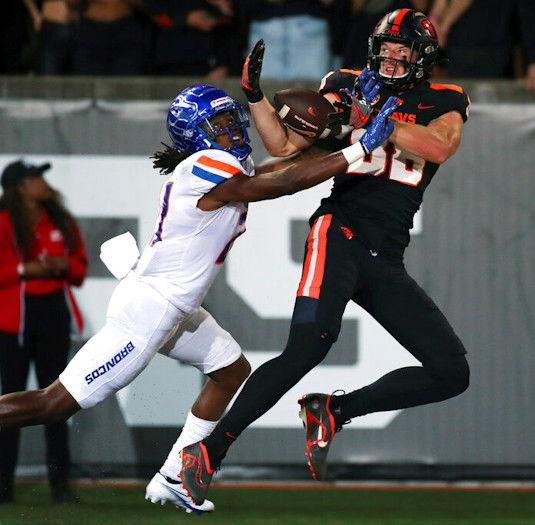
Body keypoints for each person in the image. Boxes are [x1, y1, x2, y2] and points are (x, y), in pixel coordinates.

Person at [0, 83, 398, 513]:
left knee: (230, 369)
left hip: (174, 307)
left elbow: (279, 171)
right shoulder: (205, 164)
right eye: (217, 122)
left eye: (230, 118)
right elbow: (281, 185)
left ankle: (174, 476)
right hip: (152, 309)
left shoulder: (225, 162)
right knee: (54, 403)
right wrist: (358, 150)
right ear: (195, 133)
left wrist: (351, 133)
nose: (229, 127)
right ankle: (175, 475)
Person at [180, 8, 471, 505]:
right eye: (386, 46)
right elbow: (286, 143)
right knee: (308, 346)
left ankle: (334, 411)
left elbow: (440, 145)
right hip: (339, 231)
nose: (392, 56)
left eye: (404, 49)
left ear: (422, 57)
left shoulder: (445, 99)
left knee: (450, 371)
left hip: (386, 253)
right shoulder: (347, 83)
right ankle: (209, 451)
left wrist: (380, 121)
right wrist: (255, 97)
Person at [0, 160, 87, 503]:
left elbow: (79, 268)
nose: (44, 184)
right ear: (20, 186)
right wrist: (26, 268)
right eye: (36, 178)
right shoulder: (4, 222)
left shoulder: (61, 220)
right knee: (11, 400)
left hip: (53, 314)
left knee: (58, 401)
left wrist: (65, 264)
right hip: (14, 322)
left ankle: (60, 486)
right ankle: (3, 485)